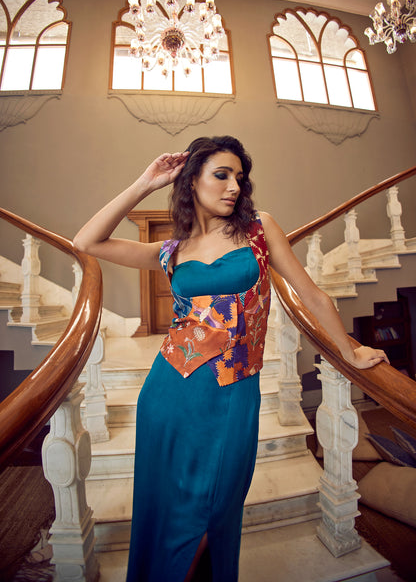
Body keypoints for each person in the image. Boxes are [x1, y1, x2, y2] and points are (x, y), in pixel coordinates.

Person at [73, 135, 388, 582]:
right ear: (191, 180)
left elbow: (313, 296)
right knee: (169, 503)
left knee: (214, 506)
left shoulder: (259, 229)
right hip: (169, 391)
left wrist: (349, 351)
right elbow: (86, 241)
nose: (234, 186)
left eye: (239, 177)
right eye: (221, 175)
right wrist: (145, 182)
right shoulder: (171, 251)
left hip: (232, 390)